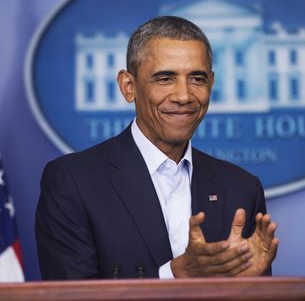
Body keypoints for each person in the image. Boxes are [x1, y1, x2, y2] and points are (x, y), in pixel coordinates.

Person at [36, 16, 279, 280]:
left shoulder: (242, 187)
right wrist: (174, 275)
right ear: (129, 87)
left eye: (197, 79)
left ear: (211, 83)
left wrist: (250, 288)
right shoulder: (73, 181)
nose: (184, 96)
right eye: (165, 78)